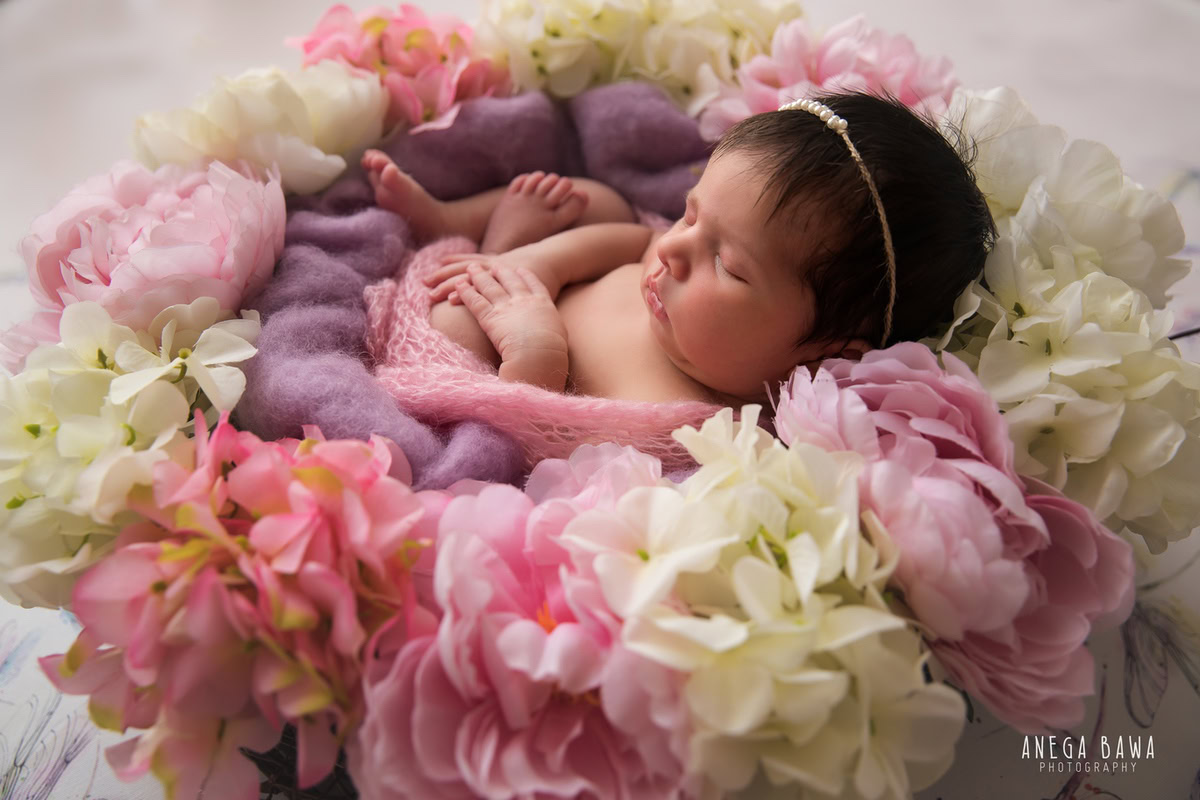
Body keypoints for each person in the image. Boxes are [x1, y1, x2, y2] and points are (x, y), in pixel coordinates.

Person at [361, 91, 995, 405]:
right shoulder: (668, 256)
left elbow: (530, 440)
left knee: (462, 322)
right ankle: (452, 218)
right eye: (692, 212)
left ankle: (496, 241)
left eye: (726, 262)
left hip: (497, 355)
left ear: (830, 357)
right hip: (516, 276)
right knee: (594, 202)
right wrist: (534, 262)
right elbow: (637, 238)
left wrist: (537, 353)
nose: (675, 249)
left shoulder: (692, 424)